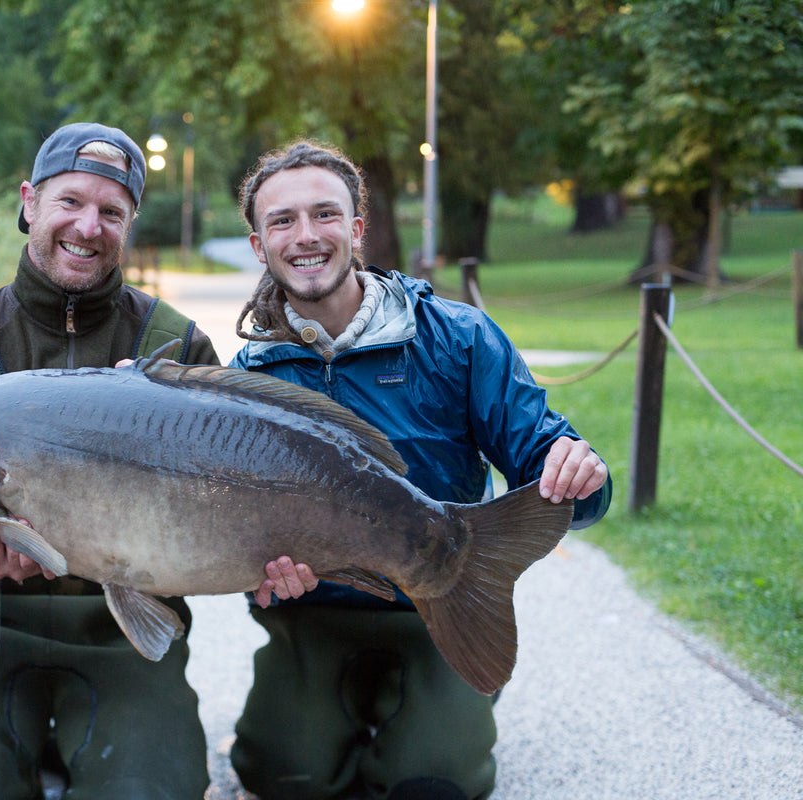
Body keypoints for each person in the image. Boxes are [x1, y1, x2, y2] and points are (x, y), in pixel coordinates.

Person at [227, 141, 613, 800]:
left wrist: (582, 476)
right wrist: (257, 577)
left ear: (356, 228)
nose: (306, 235)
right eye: (282, 221)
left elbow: (552, 476)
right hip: (314, 616)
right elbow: (233, 529)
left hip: (439, 606)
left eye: (325, 214)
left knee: (435, 784)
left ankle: (438, 711)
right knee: (282, 775)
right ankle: (340, 719)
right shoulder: (246, 381)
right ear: (260, 246)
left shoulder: (458, 339)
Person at [0, 122, 220, 800]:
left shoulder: (177, 347)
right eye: (70, 201)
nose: (88, 225)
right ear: (29, 203)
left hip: (122, 631)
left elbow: (222, 505)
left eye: (111, 211)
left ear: (128, 224)